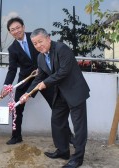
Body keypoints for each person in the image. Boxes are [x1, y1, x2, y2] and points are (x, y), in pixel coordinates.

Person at [20, 28, 90, 168]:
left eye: (40, 41)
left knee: (79, 126)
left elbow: (64, 71)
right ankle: (63, 151)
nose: (38, 45)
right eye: (35, 44)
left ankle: (77, 158)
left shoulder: (62, 49)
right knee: (57, 121)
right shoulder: (40, 57)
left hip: (75, 91)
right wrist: (28, 93)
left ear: (48, 38)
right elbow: (39, 78)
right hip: (60, 93)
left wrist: (45, 83)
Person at [1, 17, 58, 145]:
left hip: (44, 78)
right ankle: (16, 136)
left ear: (23, 27)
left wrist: (46, 69)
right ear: (10, 32)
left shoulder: (35, 38)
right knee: (17, 108)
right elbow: (12, 69)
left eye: (18, 28)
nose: (16, 31)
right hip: (25, 79)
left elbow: (48, 51)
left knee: (57, 106)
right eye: (12, 30)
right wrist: (7, 85)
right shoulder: (12, 49)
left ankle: (68, 135)